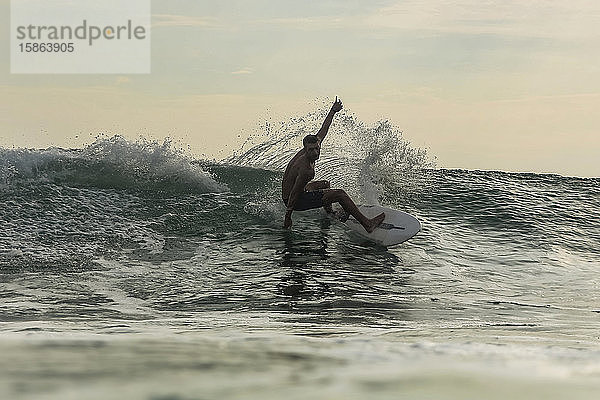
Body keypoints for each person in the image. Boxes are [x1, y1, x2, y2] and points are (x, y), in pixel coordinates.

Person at [282, 97, 385, 232]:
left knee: (325, 184)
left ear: (319, 145)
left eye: (316, 148)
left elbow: (324, 129)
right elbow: (295, 192)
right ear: (305, 150)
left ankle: (330, 214)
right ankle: (368, 224)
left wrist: (333, 111)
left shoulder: (313, 144)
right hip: (295, 200)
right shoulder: (306, 169)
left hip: (297, 192)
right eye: (310, 150)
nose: (314, 152)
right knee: (340, 194)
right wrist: (288, 216)